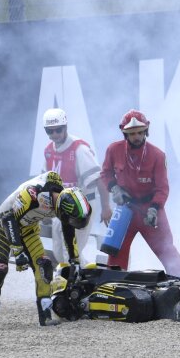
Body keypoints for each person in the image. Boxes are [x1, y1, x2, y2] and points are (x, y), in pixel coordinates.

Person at [0, 171, 91, 327]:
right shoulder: (33, 194)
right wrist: (18, 251)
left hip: (28, 229)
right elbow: (9, 219)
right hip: (4, 225)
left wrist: (74, 258)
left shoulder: (64, 201)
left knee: (44, 267)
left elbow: (68, 229)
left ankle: (45, 317)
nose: (70, 221)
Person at [100, 109, 180, 278]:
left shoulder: (157, 155)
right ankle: (111, 291)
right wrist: (114, 188)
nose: (137, 137)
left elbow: (162, 188)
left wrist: (155, 209)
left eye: (140, 132)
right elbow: (106, 173)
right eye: (132, 133)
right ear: (125, 134)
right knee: (116, 254)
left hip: (151, 209)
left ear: (146, 131)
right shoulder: (113, 150)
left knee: (167, 250)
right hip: (125, 211)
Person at [42, 107, 111, 265]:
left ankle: (73, 285)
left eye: (58, 130)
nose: (54, 135)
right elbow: (45, 184)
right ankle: (90, 274)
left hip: (82, 205)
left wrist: (106, 207)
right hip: (59, 207)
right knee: (60, 253)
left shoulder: (79, 149)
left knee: (69, 252)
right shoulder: (48, 151)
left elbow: (99, 179)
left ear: (65, 127)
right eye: (49, 131)